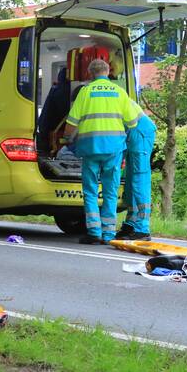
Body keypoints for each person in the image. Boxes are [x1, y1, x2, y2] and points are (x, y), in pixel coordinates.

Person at [63, 58, 141, 245]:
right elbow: (132, 123)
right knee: (110, 191)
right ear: (109, 71)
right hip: (114, 149)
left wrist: (66, 140)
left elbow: (72, 122)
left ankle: (94, 232)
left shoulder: (86, 92)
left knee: (90, 190)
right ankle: (108, 234)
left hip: (90, 148)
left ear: (90, 74)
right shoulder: (120, 92)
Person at [116, 107, 157, 241]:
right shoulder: (111, 95)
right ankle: (132, 224)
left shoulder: (103, 100)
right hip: (135, 132)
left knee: (139, 180)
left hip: (140, 132)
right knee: (131, 182)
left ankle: (142, 229)